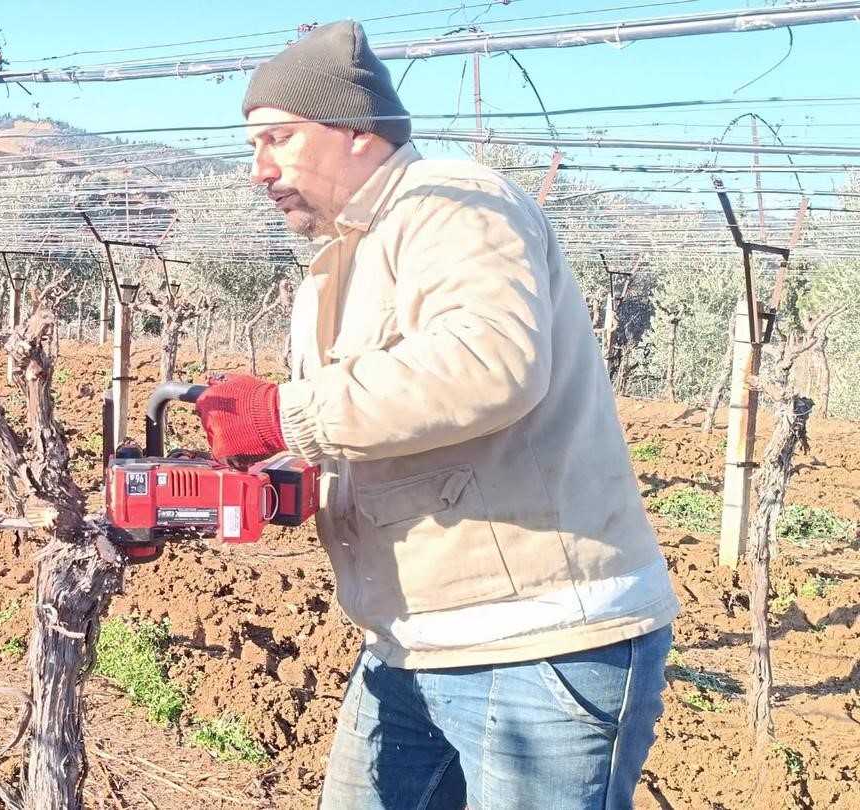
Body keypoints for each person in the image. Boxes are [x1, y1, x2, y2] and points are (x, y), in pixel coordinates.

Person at [192, 21, 680, 810]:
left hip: (538, 642)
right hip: (410, 639)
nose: (260, 170)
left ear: (354, 129)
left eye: (277, 138)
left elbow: (490, 364)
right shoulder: (339, 261)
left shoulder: (453, 204)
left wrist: (283, 415)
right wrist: (273, 484)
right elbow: (384, 427)